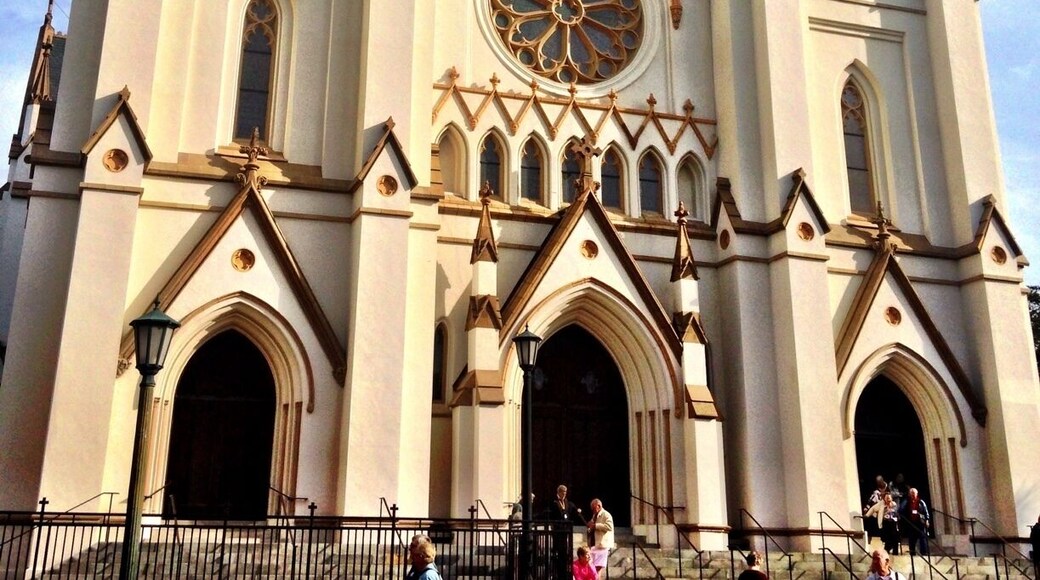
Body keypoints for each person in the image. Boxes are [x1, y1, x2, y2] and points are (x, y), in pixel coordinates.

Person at [550, 485, 582, 577]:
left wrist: (578, 511)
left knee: (565, 551)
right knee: (558, 550)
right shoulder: (554, 503)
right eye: (562, 492)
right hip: (557, 530)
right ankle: (557, 572)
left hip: (566, 530)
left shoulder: (569, 503)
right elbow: (550, 514)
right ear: (558, 492)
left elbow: (574, 511)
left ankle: (564, 572)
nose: (564, 494)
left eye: (565, 492)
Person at [587, 498, 615, 575]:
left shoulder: (606, 514)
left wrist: (596, 526)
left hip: (602, 546)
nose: (592, 510)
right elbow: (592, 527)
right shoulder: (594, 515)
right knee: (592, 569)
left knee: (597, 569)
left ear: (598, 506)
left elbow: (609, 527)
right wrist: (590, 527)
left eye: (593, 508)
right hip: (594, 545)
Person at [900, 487, 930, 556]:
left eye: (914, 493)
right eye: (911, 493)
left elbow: (926, 512)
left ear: (917, 494)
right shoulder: (907, 501)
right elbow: (901, 509)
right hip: (911, 522)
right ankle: (912, 552)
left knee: (922, 537)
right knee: (912, 538)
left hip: (920, 522)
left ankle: (924, 552)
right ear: (909, 494)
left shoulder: (921, 502)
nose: (913, 495)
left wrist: (927, 520)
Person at [864, 476, 889, 543]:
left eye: (880, 482)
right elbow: (871, 500)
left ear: (882, 480)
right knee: (870, 522)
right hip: (877, 509)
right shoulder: (875, 491)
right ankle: (869, 541)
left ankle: (885, 541)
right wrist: (867, 507)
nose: (879, 484)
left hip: (888, 509)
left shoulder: (889, 488)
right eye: (877, 482)